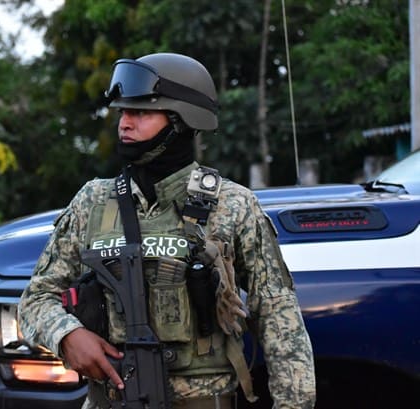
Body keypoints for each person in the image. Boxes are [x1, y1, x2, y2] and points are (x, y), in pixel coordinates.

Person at [18, 52, 316, 409]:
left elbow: (280, 318)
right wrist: (67, 335)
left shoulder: (233, 205)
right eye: (122, 113)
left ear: (181, 120)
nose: (124, 124)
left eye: (141, 112)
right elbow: (36, 299)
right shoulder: (91, 202)